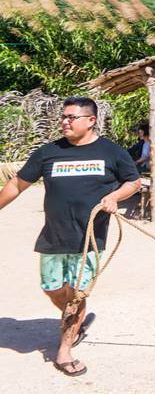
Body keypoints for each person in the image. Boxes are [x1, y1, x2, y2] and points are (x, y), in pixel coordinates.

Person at [0, 96, 141, 377]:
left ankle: (64, 349)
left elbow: (133, 182)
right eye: (63, 117)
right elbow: (18, 183)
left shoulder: (111, 152)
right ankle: (73, 316)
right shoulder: (48, 152)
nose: (64, 121)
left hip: (88, 239)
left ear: (90, 121)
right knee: (52, 288)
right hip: (54, 235)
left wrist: (114, 196)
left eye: (71, 117)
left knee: (76, 295)